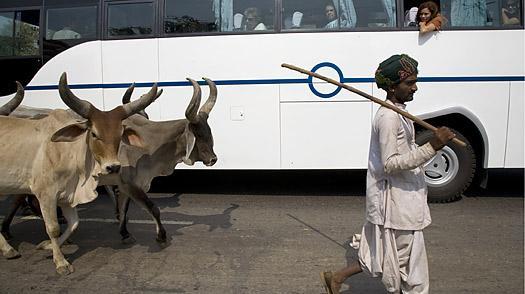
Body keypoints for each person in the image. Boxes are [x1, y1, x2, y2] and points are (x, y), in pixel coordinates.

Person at [320, 54, 455, 294]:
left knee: (380, 254)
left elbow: (406, 153)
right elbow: (390, 164)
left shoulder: (398, 113)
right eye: (409, 83)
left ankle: (337, 277)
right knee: (410, 273)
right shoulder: (388, 118)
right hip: (395, 205)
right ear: (393, 87)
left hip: (403, 200)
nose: (415, 87)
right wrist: (432, 146)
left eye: (415, 81)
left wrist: (430, 147)